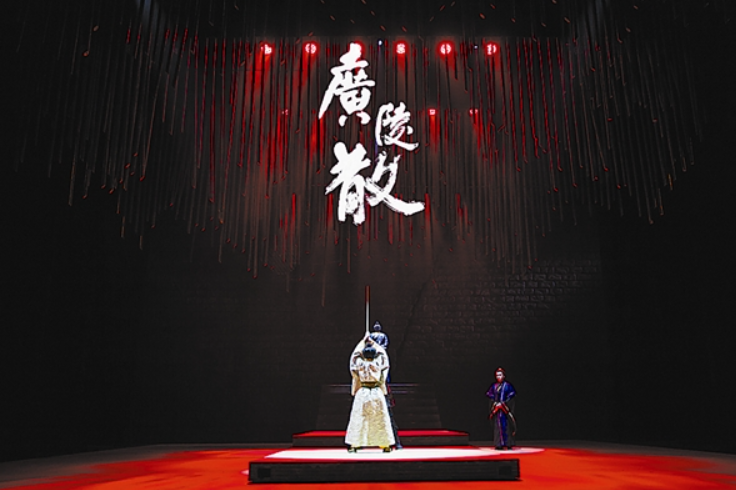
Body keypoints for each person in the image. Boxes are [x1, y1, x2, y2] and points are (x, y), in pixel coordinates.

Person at [345, 336, 395, 452]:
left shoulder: (359, 363)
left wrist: (362, 342)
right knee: (379, 419)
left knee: (360, 418)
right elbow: (385, 359)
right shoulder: (378, 362)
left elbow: (353, 359)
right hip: (376, 392)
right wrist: (375, 344)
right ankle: (385, 444)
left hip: (363, 392)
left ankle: (355, 444)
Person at [370, 321, 402, 449]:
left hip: (381, 389)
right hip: (371, 389)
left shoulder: (382, 359)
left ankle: (394, 441)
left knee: (388, 416)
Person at [486, 367, 516, 450]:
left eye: (500, 375)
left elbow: (511, 397)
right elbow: (491, 398)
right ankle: (498, 444)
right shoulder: (494, 386)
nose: (498, 377)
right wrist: (495, 405)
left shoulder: (508, 386)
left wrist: (503, 405)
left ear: (504, 376)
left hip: (504, 410)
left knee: (507, 426)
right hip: (497, 410)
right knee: (497, 427)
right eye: (497, 375)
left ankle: (508, 443)